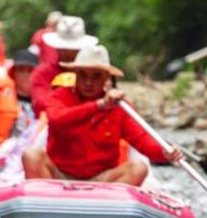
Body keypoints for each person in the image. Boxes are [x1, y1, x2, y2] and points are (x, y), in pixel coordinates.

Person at [22, 44, 183, 185]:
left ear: (107, 77)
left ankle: (107, 213)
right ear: (75, 73)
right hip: (59, 175)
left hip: (101, 181)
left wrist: (164, 153)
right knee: (31, 155)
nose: (88, 82)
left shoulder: (120, 106)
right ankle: (46, 209)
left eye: (96, 76)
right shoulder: (59, 96)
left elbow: (142, 139)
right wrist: (99, 106)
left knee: (138, 168)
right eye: (83, 75)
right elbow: (58, 120)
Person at [30, 15, 96, 116]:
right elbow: (41, 106)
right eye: (64, 48)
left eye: (73, 49)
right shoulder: (42, 73)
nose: (69, 53)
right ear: (56, 48)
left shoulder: (94, 73)